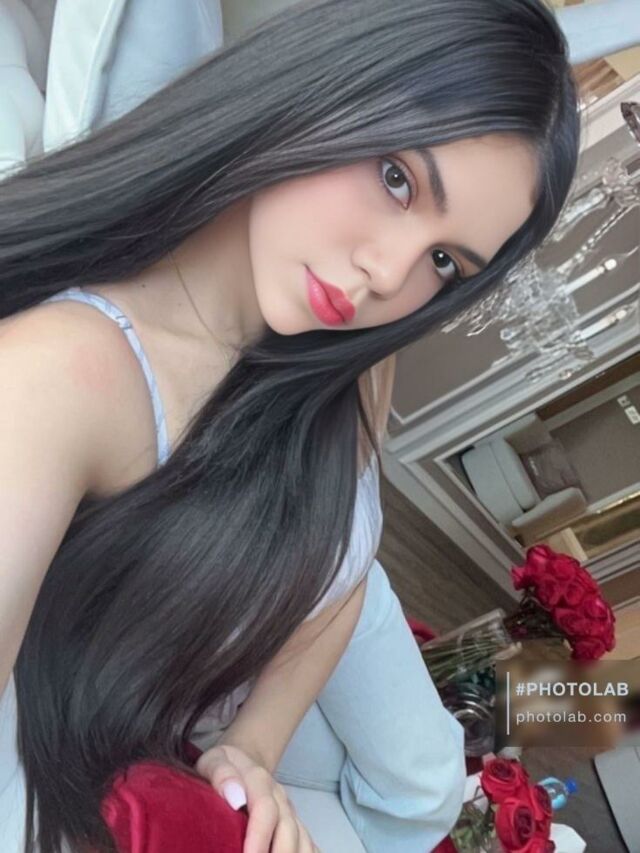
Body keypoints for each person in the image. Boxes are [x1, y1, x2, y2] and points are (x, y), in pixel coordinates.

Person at [0, 0, 581, 851]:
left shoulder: (351, 356)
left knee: (426, 791)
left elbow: (344, 572)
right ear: (323, 81)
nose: (388, 274)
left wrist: (254, 746)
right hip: (191, 659)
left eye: (444, 260)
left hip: (269, 626)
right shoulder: (65, 377)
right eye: (397, 177)